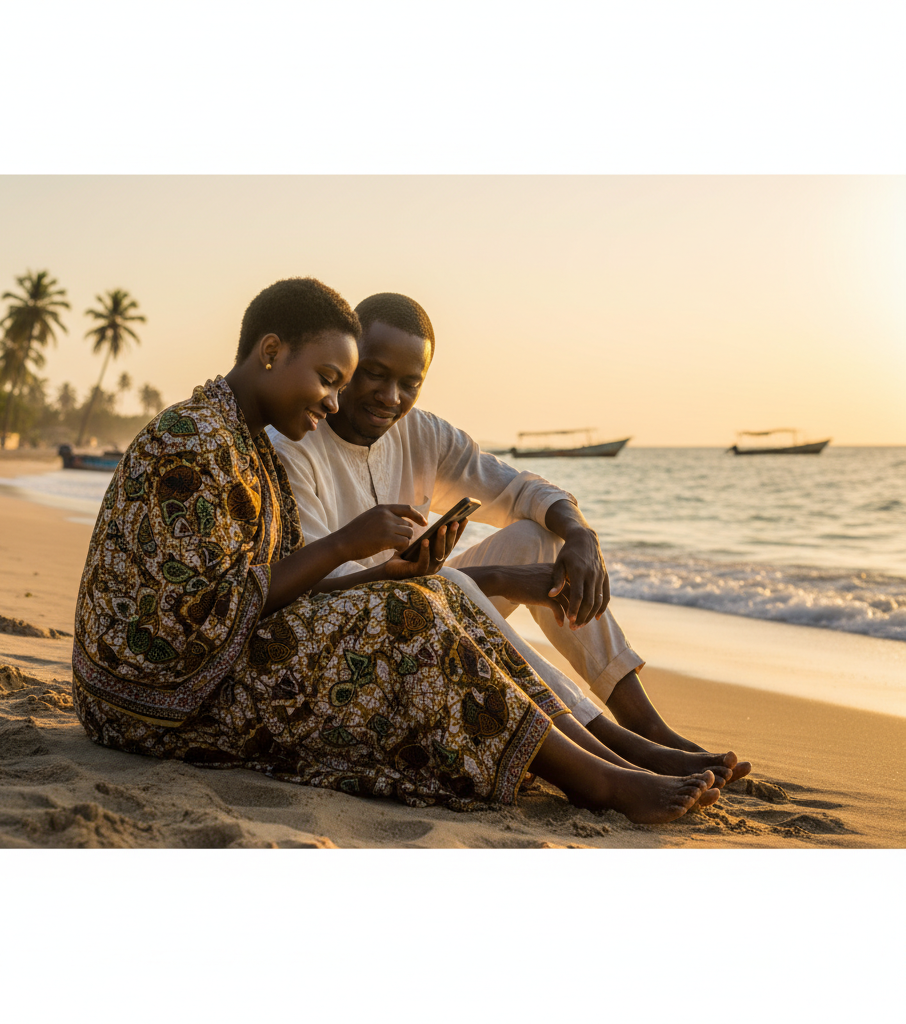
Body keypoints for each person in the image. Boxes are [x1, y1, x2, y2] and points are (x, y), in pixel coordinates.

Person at [72, 277, 719, 822]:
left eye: (400, 381)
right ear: (272, 352)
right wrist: (354, 549)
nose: (336, 399)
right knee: (414, 609)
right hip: (152, 701)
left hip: (212, 659)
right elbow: (220, 607)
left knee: (435, 592)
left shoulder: (239, 436)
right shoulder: (206, 441)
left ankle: (615, 746)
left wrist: (575, 534)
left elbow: (247, 593)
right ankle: (600, 779)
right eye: (339, 379)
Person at [268, 291, 751, 786]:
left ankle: (645, 725)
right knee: (455, 591)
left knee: (542, 534)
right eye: (375, 373)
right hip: (364, 640)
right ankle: (611, 745)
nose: (391, 397)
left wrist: (581, 534)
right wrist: (499, 578)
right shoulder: (297, 442)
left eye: (410, 383)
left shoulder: (422, 433)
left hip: (432, 614)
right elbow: (326, 589)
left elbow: (520, 489)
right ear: (348, 359)